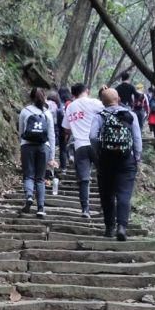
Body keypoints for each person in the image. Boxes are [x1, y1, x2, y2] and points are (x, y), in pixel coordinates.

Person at [91, 87, 142, 241]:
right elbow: (137, 139)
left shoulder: (100, 115)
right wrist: (137, 157)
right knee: (124, 194)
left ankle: (109, 228)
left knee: (107, 194)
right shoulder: (130, 115)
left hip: (106, 159)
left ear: (102, 102)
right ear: (118, 98)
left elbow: (92, 136)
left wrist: (99, 151)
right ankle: (122, 227)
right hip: (126, 159)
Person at [62, 82, 102, 218]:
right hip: (96, 144)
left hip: (79, 145)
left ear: (73, 94)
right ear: (87, 91)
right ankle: (105, 207)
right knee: (103, 176)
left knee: (84, 179)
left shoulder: (70, 107)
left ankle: (85, 209)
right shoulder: (95, 103)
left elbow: (66, 128)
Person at [18, 88, 57, 218]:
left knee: (29, 175)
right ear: (43, 97)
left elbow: (21, 132)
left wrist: (21, 146)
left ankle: (29, 196)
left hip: (27, 146)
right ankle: (40, 208)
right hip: (43, 147)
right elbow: (51, 135)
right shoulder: (48, 113)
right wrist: (52, 156)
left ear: (31, 97)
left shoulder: (25, 111)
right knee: (40, 179)